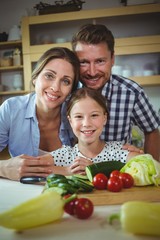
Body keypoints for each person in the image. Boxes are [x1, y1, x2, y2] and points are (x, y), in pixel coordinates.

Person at [71, 24, 160, 161]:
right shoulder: (67, 92)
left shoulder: (132, 92)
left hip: (120, 177)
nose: (92, 72)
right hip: (76, 174)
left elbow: (152, 131)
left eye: (100, 61)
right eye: (84, 62)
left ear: (112, 59)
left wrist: (152, 170)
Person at [0, 47, 80, 180]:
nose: (55, 88)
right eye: (49, 76)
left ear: (71, 90)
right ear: (35, 78)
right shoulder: (11, 109)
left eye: (65, 81)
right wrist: (4, 168)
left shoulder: (77, 114)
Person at [49, 87, 141, 175]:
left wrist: (95, 169)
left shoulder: (116, 151)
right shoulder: (64, 155)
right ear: (70, 121)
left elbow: (146, 164)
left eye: (94, 115)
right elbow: (35, 167)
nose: (86, 124)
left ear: (104, 118)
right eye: (79, 117)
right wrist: (67, 171)